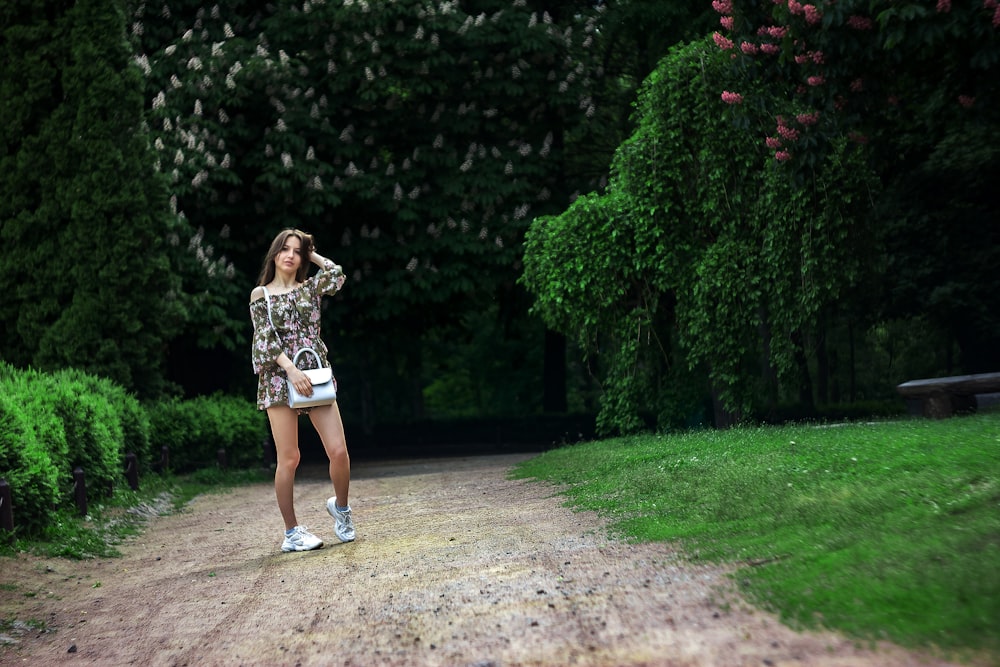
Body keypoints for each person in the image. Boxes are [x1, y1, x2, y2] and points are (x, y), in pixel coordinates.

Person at [249, 228, 355, 552]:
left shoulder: (310, 288)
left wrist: (312, 252)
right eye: (285, 248)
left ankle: (341, 507)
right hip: (280, 377)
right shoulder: (260, 295)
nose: (290, 255)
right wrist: (291, 370)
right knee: (289, 458)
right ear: (274, 253)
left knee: (338, 451)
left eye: (297, 250)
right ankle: (292, 533)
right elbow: (263, 340)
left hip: (316, 374)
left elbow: (337, 276)